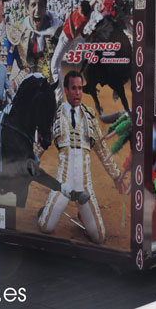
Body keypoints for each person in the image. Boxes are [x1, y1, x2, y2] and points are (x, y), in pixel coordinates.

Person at [37, 71, 129, 244]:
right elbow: (41, 144)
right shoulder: (55, 115)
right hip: (63, 185)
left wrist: (116, 175)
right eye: (74, 88)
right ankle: (47, 210)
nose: (78, 92)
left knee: (99, 237)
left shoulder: (90, 116)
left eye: (80, 88)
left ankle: (82, 216)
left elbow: (101, 149)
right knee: (46, 227)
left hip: (85, 188)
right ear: (65, 90)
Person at [17, 0, 62, 81]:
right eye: (33, 5)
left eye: (41, 5)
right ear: (27, 8)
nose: (37, 10)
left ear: (46, 7)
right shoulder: (20, 30)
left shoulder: (57, 28)